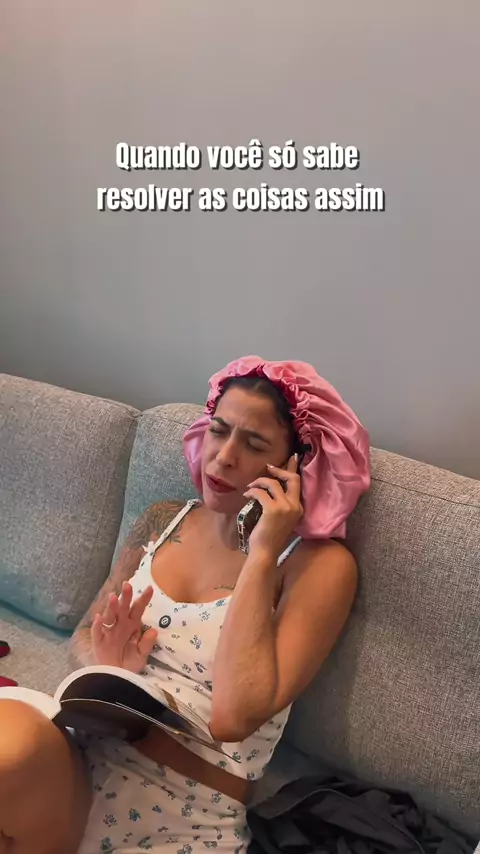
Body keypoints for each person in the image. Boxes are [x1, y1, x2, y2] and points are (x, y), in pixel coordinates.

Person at [0, 356, 371, 854]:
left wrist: (262, 552)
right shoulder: (163, 519)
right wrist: (108, 666)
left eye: (254, 444)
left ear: (295, 464)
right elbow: (83, 636)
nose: (224, 457)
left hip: (180, 810)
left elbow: (236, 716)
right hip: (80, 761)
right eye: (219, 431)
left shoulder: (317, 566)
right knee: (9, 740)